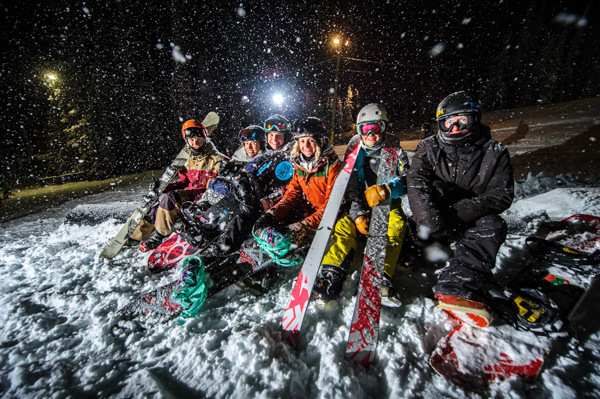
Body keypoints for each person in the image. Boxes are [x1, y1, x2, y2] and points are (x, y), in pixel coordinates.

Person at [406, 91, 514, 328]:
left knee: (494, 226)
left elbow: (501, 195)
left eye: (462, 120)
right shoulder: (429, 147)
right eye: (448, 122)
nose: (454, 127)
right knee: (417, 226)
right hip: (433, 219)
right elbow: (416, 182)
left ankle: (457, 285)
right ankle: (412, 253)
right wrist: (429, 218)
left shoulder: (494, 152)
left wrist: (458, 213)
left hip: (467, 219)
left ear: (475, 118)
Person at [312, 103, 410, 306]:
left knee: (397, 225)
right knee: (343, 226)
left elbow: (409, 179)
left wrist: (388, 189)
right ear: (359, 130)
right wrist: (357, 214)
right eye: (365, 129)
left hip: (387, 203)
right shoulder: (355, 152)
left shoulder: (395, 151)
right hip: (363, 203)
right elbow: (351, 186)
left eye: (377, 128)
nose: (371, 134)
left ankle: (379, 277)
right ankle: (331, 273)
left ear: (384, 128)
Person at [133, 119, 228, 252]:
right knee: (156, 209)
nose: (195, 143)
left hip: (203, 197)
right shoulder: (188, 161)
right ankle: (135, 237)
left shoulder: (218, 160)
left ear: (205, 138)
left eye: (198, 139)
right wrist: (163, 188)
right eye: (191, 140)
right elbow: (184, 182)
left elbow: (223, 186)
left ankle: (160, 236)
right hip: (187, 195)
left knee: (171, 200)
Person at [198, 125, 267, 208]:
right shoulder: (243, 159)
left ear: (262, 143)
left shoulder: (259, 162)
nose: (249, 147)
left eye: (253, 143)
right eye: (246, 143)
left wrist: (212, 183)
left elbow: (237, 191)